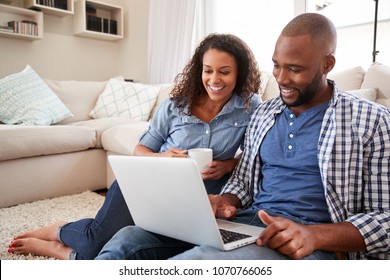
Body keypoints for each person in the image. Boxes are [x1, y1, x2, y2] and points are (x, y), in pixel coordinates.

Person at [95, 13, 390, 260]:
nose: (281, 79)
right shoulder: (265, 114)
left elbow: (385, 220)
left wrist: (313, 235)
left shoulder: (371, 120)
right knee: (127, 241)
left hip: (311, 241)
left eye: (295, 69)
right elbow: (244, 182)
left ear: (327, 64)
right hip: (251, 222)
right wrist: (222, 200)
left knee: (197, 263)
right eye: (276, 65)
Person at [7, 33, 262, 260]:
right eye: (208, 70)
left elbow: (254, 158)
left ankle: (63, 252)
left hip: (199, 197)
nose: (214, 79)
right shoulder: (175, 105)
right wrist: (163, 158)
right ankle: (59, 230)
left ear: (239, 73)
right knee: (95, 242)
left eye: (224, 72)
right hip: (149, 185)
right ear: (199, 71)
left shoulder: (251, 107)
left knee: (133, 252)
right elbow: (140, 150)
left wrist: (229, 163)